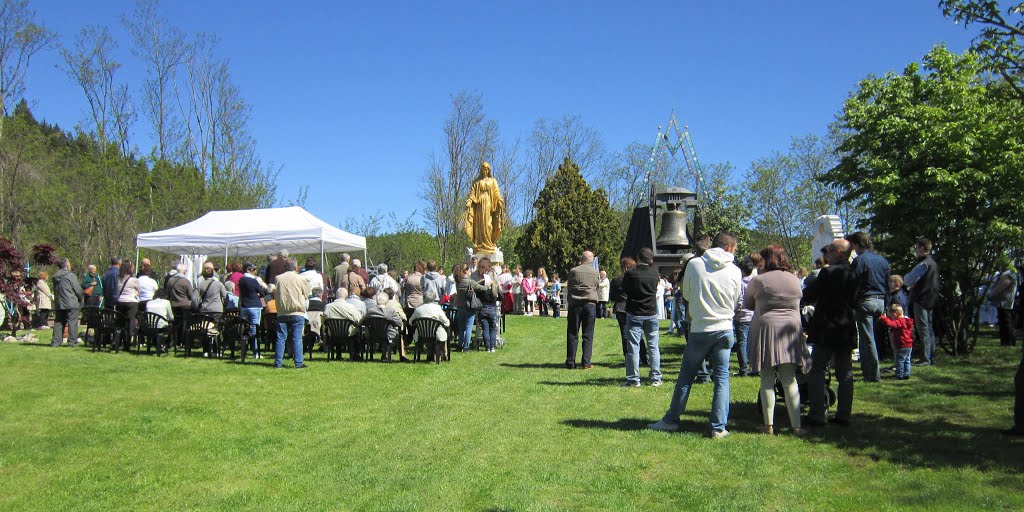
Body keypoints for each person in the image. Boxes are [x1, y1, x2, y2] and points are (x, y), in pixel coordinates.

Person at [649, 232, 742, 439]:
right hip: (725, 327)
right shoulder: (735, 270)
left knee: (686, 377)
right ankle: (718, 427)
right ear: (728, 248)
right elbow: (736, 299)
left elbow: (687, 295)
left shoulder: (695, 264)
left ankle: (671, 420)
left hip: (700, 328)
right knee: (722, 378)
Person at [745, 245, 809, 436]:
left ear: (766, 260)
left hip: (766, 329)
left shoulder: (759, 280)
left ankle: (768, 424)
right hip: (790, 330)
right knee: (789, 379)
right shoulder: (795, 279)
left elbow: (748, 303)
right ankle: (796, 425)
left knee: (767, 378)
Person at [803, 239, 860, 427]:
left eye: (831, 249)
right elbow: (855, 300)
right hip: (846, 326)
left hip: (827, 326)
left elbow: (810, 294)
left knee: (817, 369)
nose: (827, 252)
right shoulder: (855, 273)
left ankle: (817, 414)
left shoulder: (828, 272)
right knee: (845, 373)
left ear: (841, 253)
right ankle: (844, 414)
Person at [846, 231, 891, 382]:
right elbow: (887, 283)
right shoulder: (882, 260)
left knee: (867, 339)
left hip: (866, 300)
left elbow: (852, 283)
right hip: (880, 300)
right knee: (871, 338)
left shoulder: (860, 261)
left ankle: (873, 375)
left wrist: (851, 303)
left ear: (857, 244)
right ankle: (868, 371)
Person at [622, 248, 662, 386]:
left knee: (633, 347)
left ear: (638, 258)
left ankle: (633, 379)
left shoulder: (630, 274)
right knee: (653, 347)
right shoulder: (655, 274)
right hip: (651, 313)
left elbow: (625, 290)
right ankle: (656, 378)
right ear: (651, 260)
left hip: (634, 313)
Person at [905, 238, 940, 366]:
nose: (915, 250)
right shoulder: (933, 263)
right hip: (930, 298)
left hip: (921, 299)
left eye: (917, 247)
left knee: (923, 329)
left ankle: (925, 358)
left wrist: (910, 282)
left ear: (922, 248)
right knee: (929, 329)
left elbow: (908, 279)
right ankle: (931, 355)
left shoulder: (924, 264)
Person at [273, 259, 310, 369]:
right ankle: (298, 362)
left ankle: (278, 362)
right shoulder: (300, 278)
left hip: (282, 311)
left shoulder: (278, 278)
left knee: (281, 338)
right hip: (297, 311)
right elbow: (307, 294)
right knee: (297, 338)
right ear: (296, 267)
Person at [566, 251, 600, 369]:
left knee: (572, 333)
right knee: (588, 334)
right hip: (589, 305)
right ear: (591, 260)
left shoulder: (574, 271)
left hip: (575, 304)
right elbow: (597, 287)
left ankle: (570, 362)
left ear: (582, 258)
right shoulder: (595, 272)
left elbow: (569, 286)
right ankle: (586, 362)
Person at [455, 264, 489, 351]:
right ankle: (466, 346)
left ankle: (459, 345)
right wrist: (488, 285)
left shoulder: (458, 282)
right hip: (469, 307)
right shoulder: (470, 282)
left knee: (461, 328)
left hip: (460, 306)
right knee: (469, 327)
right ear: (466, 271)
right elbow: (483, 288)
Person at [238, 262, 269, 358]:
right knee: (255, 330)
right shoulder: (253, 281)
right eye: (253, 269)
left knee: (245, 330)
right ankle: (256, 353)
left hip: (244, 306)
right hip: (255, 306)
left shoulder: (241, 280)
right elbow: (262, 293)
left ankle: (244, 352)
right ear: (248, 270)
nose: (255, 271)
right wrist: (264, 304)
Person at [410, 289, 451, 360]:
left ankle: (430, 354)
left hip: (421, 334)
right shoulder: (437, 308)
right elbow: (446, 322)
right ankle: (444, 355)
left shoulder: (418, 309)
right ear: (434, 299)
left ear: (424, 298)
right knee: (442, 332)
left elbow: (410, 322)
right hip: (435, 333)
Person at [50, 259, 83, 347]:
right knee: (72, 322)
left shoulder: (55, 276)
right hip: (71, 302)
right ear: (67, 266)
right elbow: (78, 289)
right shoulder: (71, 275)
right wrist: (81, 298)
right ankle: (72, 342)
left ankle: (56, 342)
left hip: (59, 303)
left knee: (58, 322)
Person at [879, 304, 914, 380]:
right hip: (909, 345)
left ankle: (899, 375)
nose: (891, 318)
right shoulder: (907, 320)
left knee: (899, 361)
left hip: (901, 344)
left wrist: (884, 318)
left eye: (891, 316)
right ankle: (906, 373)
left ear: (895, 314)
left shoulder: (900, 321)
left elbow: (891, 324)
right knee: (907, 360)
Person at [473, 258, 501, 352]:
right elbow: (498, 290)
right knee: (493, 328)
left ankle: (487, 347)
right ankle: (492, 347)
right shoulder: (493, 275)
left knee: (485, 328)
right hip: (492, 307)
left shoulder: (476, 276)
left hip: (482, 307)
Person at [733, 257, 756, 377]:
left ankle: (743, 369)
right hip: (753, 315)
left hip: (742, 316)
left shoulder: (740, 283)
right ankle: (754, 367)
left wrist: (735, 311)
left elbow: (739, 300)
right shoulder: (755, 282)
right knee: (752, 342)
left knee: (742, 342)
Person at [164, 262, 195, 349]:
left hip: (173, 305)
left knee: (174, 324)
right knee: (184, 325)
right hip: (185, 305)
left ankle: (173, 341)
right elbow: (191, 295)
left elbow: (167, 293)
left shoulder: (170, 280)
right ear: (184, 271)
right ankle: (181, 342)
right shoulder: (186, 281)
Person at [987, 261, 1018, 347]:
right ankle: (1007, 342)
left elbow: (1000, 287)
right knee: (1005, 322)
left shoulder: (1008, 275)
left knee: (1006, 322)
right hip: (1004, 302)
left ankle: (1008, 342)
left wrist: (991, 294)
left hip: (1005, 302)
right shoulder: (1008, 274)